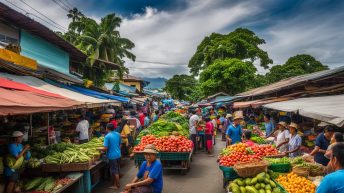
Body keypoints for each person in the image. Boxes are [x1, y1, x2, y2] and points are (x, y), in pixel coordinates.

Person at [99, 123, 121, 190]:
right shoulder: (118, 134)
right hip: (118, 154)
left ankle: (117, 185)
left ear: (107, 129)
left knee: (115, 171)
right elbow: (120, 144)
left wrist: (98, 149)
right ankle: (114, 184)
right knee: (116, 170)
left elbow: (105, 148)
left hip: (112, 156)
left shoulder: (107, 136)